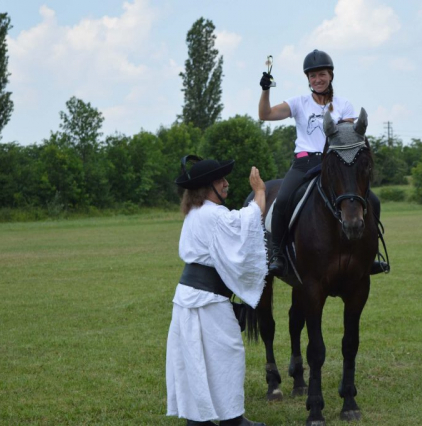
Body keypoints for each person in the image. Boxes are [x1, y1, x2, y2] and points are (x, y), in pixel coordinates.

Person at [258, 49, 389, 276]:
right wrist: (265, 89)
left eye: (321, 75)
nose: (317, 80)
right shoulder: (298, 103)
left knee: (373, 201)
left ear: (330, 75)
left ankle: (371, 256)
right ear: (308, 79)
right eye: (312, 76)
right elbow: (265, 114)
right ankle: (278, 254)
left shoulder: (344, 105)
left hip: (335, 164)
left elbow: (348, 136)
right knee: (282, 202)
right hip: (304, 164)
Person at [165, 156, 268, 426]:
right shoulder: (213, 214)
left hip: (192, 298)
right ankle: (230, 421)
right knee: (227, 355)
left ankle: (204, 420)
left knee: (199, 360)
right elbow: (246, 223)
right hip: (205, 299)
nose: (226, 184)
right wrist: (259, 192)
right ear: (206, 188)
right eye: (220, 180)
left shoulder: (196, 213)